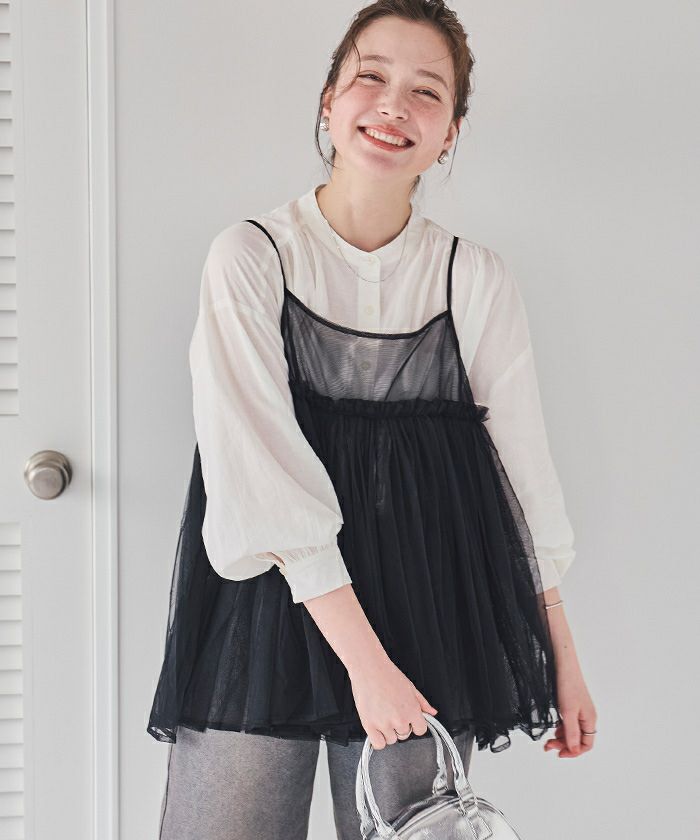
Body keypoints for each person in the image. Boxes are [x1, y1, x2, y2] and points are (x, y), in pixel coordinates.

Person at [148, 2, 598, 838]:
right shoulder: (251, 258)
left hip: (427, 605)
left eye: (427, 92)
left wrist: (562, 659)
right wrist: (366, 666)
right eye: (371, 77)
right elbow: (259, 477)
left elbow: (523, 485)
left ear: (450, 134)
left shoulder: (473, 278)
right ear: (329, 100)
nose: (394, 105)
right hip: (269, 605)